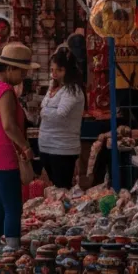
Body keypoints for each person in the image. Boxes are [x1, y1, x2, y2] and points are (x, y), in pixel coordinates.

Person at [0, 43, 39, 253]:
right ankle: (12, 250)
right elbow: (8, 125)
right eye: (23, 72)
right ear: (10, 68)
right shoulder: (5, 90)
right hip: (2, 157)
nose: (24, 76)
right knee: (13, 206)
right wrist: (25, 146)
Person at [38, 45, 87, 189]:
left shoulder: (73, 90)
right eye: (52, 70)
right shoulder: (53, 87)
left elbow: (60, 114)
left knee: (62, 189)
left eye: (59, 70)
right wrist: (48, 110)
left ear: (69, 70)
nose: (55, 74)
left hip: (63, 148)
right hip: (46, 145)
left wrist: (45, 112)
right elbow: (46, 107)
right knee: (54, 190)